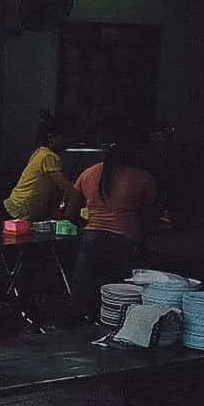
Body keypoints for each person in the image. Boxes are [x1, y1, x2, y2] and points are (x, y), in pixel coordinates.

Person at [65, 134, 158, 321]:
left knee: (86, 294)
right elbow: (150, 216)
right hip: (127, 240)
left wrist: (88, 226)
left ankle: (84, 331)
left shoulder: (88, 173)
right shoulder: (143, 177)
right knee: (124, 298)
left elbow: (69, 213)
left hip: (92, 239)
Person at [3, 117, 70, 221]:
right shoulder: (49, 156)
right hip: (25, 206)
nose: (66, 142)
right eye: (63, 138)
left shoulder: (40, 152)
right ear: (51, 138)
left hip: (20, 203)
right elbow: (62, 184)